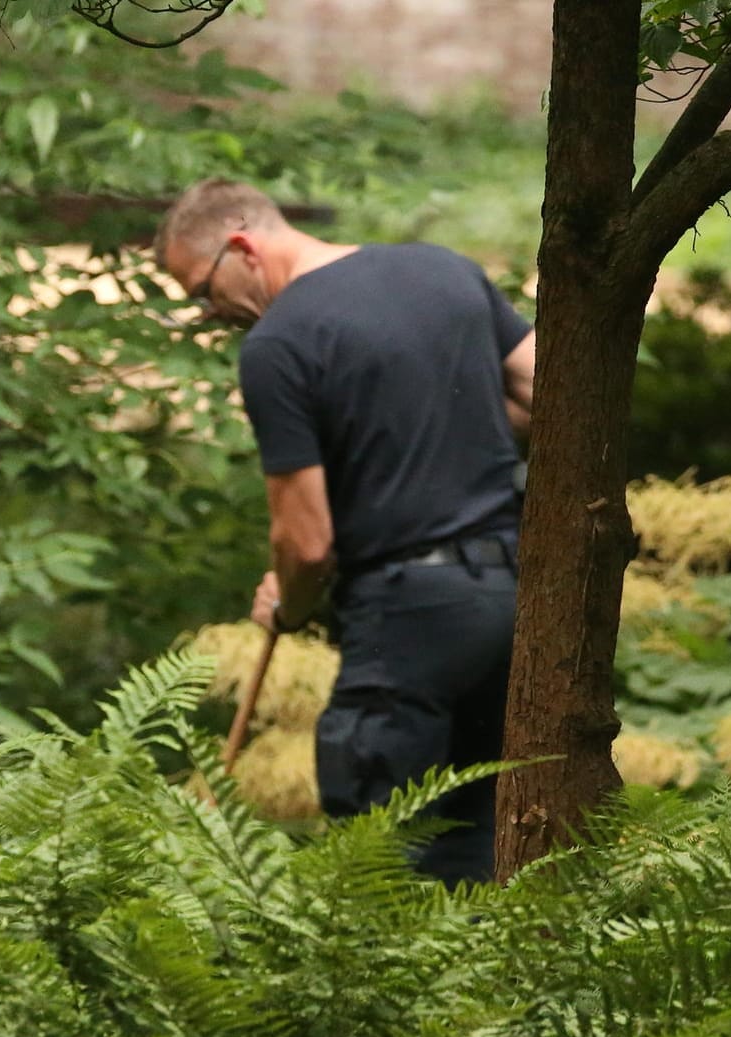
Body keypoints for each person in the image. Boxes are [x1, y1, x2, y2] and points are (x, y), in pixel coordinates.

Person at [156, 179, 535, 883]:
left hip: (408, 618)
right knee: (483, 829)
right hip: (512, 597)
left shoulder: (279, 343)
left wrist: (290, 607)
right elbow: (547, 394)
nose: (210, 314)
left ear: (242, 246)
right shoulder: (444, 269)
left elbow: (306, 542)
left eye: (203, 290)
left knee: (374, 851)